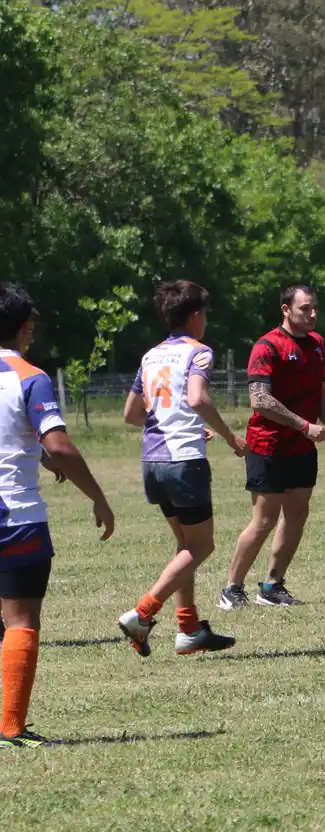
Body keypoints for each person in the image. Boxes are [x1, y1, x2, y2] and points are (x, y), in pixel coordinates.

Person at [0, 283, 115, 748]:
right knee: (21, 620)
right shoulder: (29, 376)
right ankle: (9, 728)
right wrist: (98, 497)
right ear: (26, 326)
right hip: (16, 517)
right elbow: (59, 445)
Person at [116, 281, 242, 658]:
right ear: (195, 315)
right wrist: (231, 437)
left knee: (186, 546)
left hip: (153, 462)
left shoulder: (151, 355)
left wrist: (174, 425)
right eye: (205, 313)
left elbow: (131, 414)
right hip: (182, 461)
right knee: (202, 545)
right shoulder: (199, 352)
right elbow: (197, 398)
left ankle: (188, 629)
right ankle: (142, 613)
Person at [219, 284, 325, 610]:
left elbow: (319, 395)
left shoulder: (318, 345)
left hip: (301, 448)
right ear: (286, 310)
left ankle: (273, 586)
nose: (313, 314)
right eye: (305, 308)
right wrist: (304, 426)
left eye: (315, 307)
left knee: (296, 515)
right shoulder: (267, 347)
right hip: (269, 446)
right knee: (264, 520)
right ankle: (232, 589)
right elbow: (260, 400)